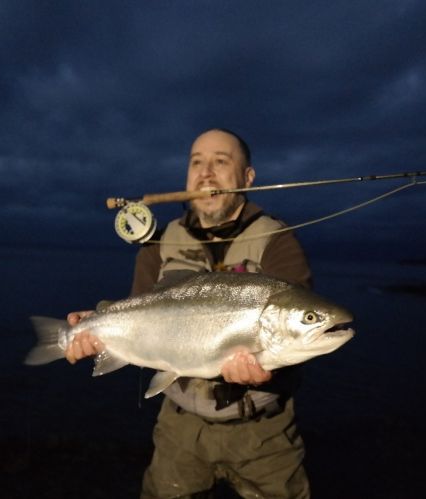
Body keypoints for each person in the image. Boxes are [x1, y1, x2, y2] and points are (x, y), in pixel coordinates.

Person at [66, 128, 313, 498]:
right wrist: (98, 330)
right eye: (196, 162)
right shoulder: (158, 245)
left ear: (248, 178)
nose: (206, 173)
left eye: (220, 161)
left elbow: (298, 330)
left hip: (264, 434)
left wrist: (261, 373)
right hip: (178, 429)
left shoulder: (278, 240)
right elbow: (136, 319)